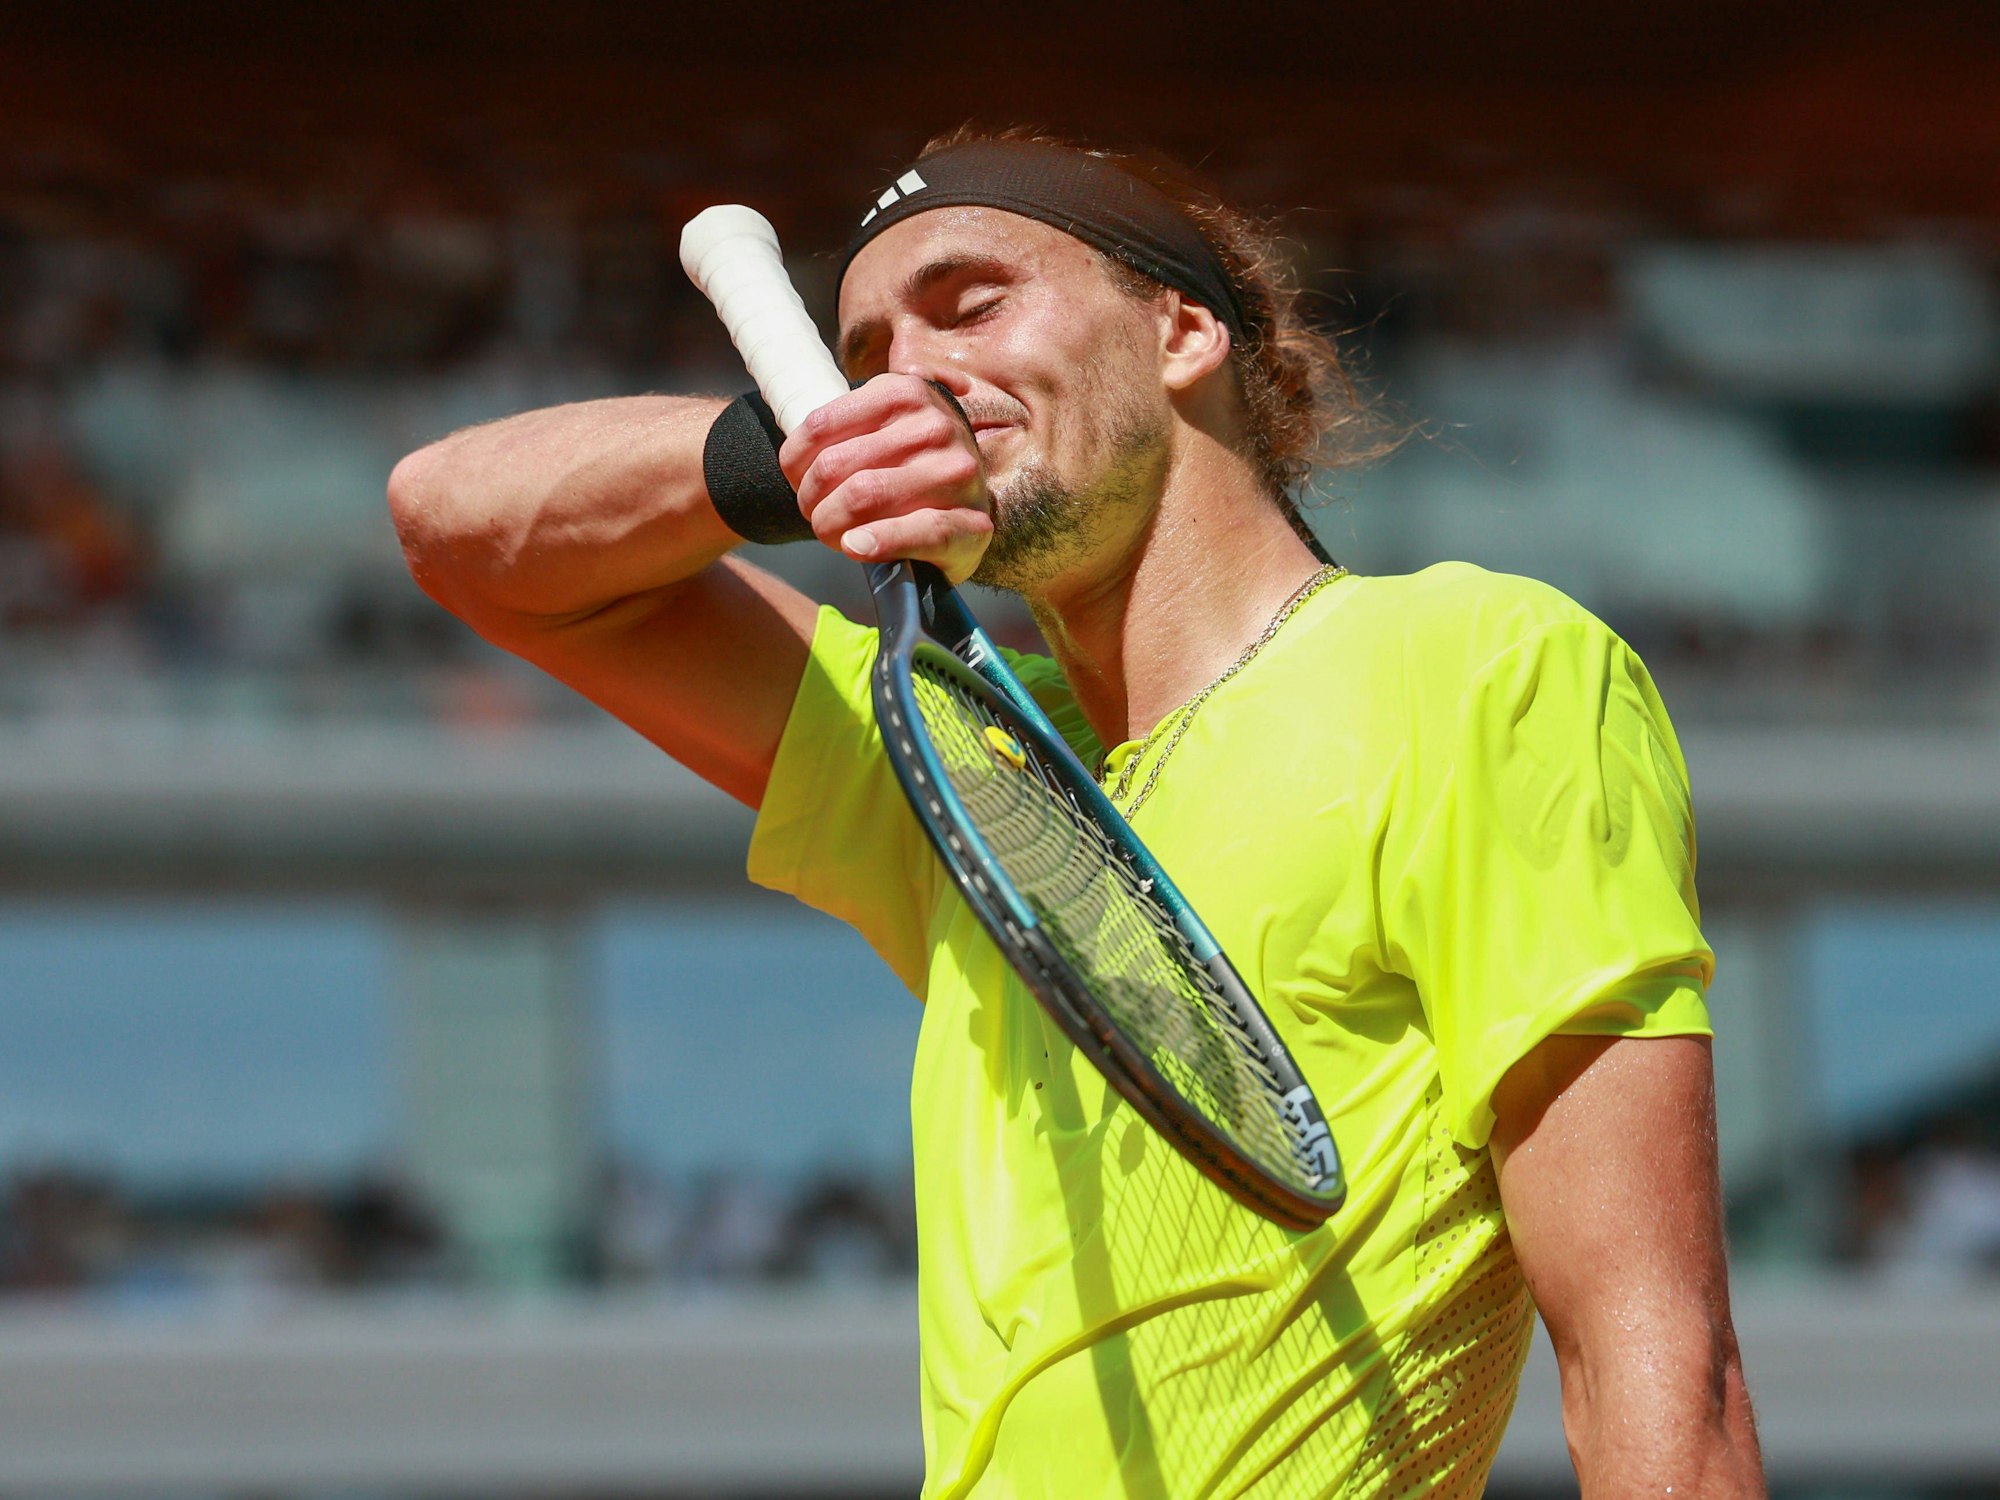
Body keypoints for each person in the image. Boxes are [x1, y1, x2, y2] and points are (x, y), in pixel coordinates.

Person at [389, 127, 1763, 1498]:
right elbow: (453, 529)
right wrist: (772, 455)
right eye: (863, 359)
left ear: (1182, 333)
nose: (911, 374)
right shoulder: (952, 754)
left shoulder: (1479, 665)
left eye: (970, 304)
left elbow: (1653, 1356)